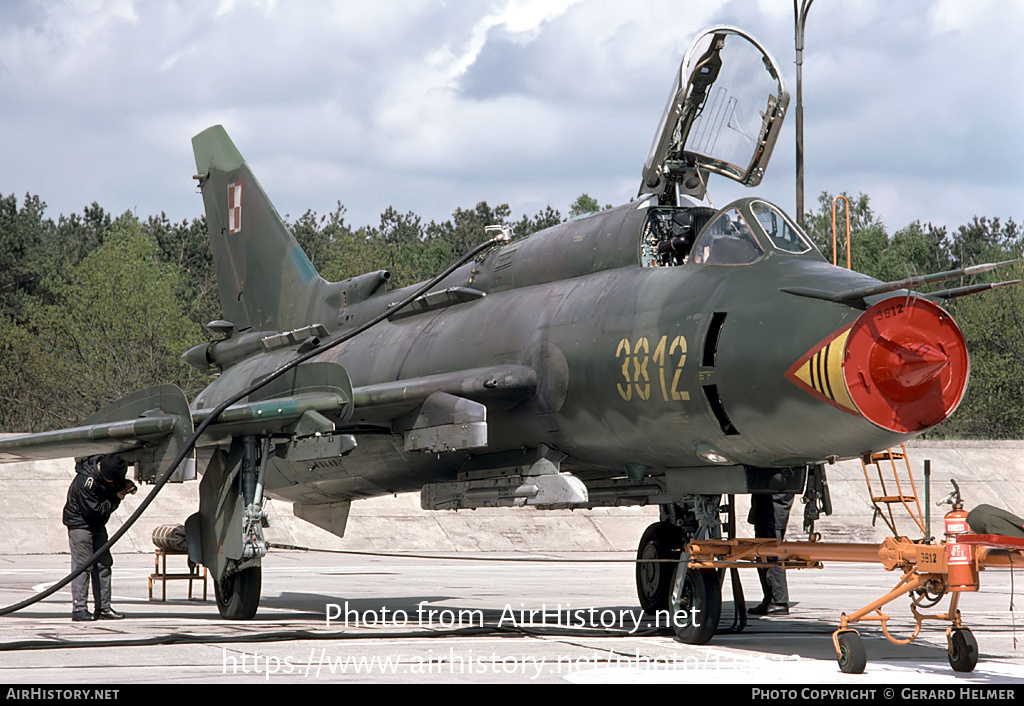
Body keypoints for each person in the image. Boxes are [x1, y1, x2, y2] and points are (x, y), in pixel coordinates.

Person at [62, 454, 136, 621]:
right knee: (83, 566)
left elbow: (108, 493)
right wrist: (117, 498)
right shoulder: (86, 482)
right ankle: (79, 608)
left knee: (103, 564)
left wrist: (123, 487)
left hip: (97, 526)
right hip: (81, 525)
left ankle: (103, 608)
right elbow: (96, 511)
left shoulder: (105, 475)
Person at [748, 493, 794, 616]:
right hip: (769, 512)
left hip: (771, 514)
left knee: (771, 556)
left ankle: (779, 601)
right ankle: (770, 599)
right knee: (765, 557)